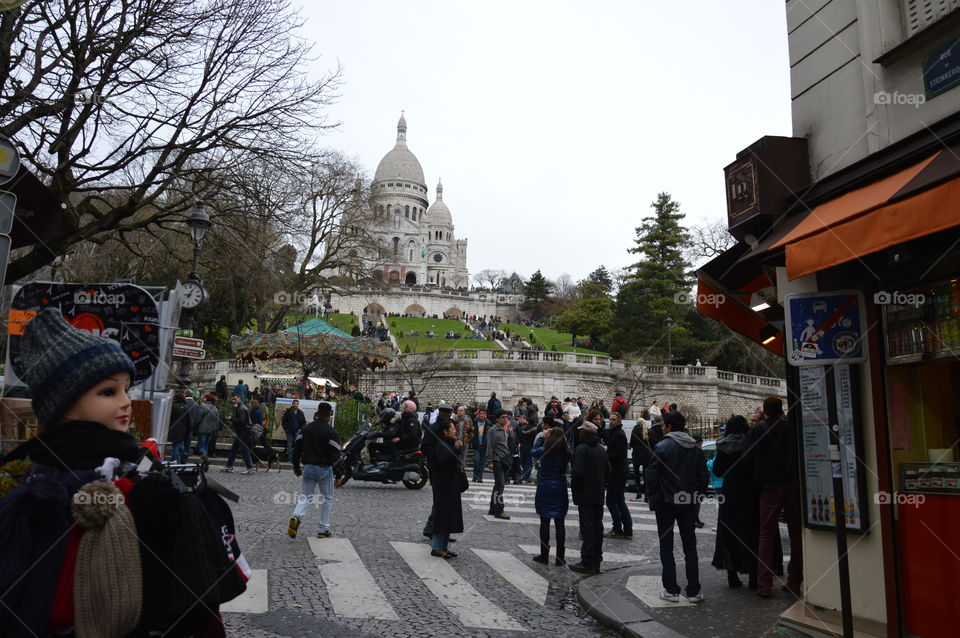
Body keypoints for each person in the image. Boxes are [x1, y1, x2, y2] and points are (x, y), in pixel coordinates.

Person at [0, 308, 247, 637]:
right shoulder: (27, 479)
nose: (125, 402)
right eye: (107, 391)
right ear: (63, 402)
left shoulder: (140, 471)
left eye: (125, 390)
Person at [646, 410, 709, 604]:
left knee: (666, 547)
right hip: (688, 502)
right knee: (690, 547)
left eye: (664, 425)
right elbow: (703, 477)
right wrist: (696, 496)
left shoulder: (662, 446)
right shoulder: (695, 449)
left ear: (669, 427)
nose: (663, 428)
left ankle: (671, 590)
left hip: (666, 502)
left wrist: (655, 494)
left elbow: (652, 474)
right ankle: (693, 591)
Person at [745, 396, 803, 598]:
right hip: (792, 484)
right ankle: (795, 580)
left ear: (765, 412)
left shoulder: (757, 430)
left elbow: (748, 458)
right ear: (780, 411)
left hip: (769, 485)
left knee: (766, 534)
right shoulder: (791, 428)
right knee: (796, 532)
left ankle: (765, 583)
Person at [711, 414, 759, 590]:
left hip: (730, 493)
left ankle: (732, 575)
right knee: (751, 533)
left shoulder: (723, 445)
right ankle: (753, 576)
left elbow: (718, 471)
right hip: (750, 493)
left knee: (729, 533)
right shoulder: (752, 442)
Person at [288, 402, 340, 539]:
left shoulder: (306, 429)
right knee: (327, 498)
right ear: (329, 415)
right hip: (324, 469)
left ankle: (296, 516)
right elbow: (336, 455)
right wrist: (339, 475)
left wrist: (296, 466)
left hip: (308, 467)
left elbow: (297, 448)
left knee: (306, 496)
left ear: (317, 412)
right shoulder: (331, 432)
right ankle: (323, 528)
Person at [569, 419, 609, 574]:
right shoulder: (600, 449)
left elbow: (577, 472)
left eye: (581, 430)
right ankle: (597, 559)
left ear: (585, 433)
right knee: (597, 526)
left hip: (585, 494)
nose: (579, 432)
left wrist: (576, 487)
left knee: (588, 527)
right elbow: (608, 471)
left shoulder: (581, 449)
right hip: (598, 494)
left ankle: (587, 560)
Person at [531, 427, 571, 565]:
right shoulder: (566, 452)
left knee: (545, 521)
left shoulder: (544, 449)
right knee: (560, 523)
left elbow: (533, 451)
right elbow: (571, 453)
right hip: (560, 486)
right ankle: (560, 557)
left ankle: (544, 555)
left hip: (545, 486)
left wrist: (543, 437)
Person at [429, 420, 464, 558]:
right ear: (445, 431)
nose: (455, 431)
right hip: (443, 487)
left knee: (448, 517)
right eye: (452, 428)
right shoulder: (440, 445)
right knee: (442, 516)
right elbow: (444, 462)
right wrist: (455, 449)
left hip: (450, 486)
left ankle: (443, 547)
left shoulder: (448, 443)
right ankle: (437, 547)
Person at [604, 411, 633, 539]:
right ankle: (627, 529)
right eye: (610, 419)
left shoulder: (619, 434)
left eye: (614, 419)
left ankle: (618, 528)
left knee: (611, 501)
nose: (611, 422)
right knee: (619, 500)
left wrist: (606, 451)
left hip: (618, 472)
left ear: (619, 421)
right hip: (618, 471)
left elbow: (619, 455)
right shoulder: (614, 433)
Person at [486, 410, 513, 520]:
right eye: (502, 417)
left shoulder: (505, 430)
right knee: (500, 486)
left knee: (498, 485)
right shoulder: (493, 430)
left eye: (506, 417)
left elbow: (504, 446)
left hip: (504, 461)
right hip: (497, 461)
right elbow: (490, 446)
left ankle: (492, 508)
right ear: (497, 419)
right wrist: (490, 461)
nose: (505, 419)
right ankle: (499, 510)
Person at [222, 394, 255, 474]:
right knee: (234, 449)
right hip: (241, 431)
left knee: (244, 450)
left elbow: (242, 421)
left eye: (235, 399)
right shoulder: (239, 407)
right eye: (232, 399)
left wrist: (231, 419)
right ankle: (229, 466)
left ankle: (250, 467)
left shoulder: (241, 408)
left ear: (239, 398)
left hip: (243, 432)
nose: (233, 401)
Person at [630, 409, 654, 500]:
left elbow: (631, 443)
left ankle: (638, 492)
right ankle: (647, 495)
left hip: (636, 454)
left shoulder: (634, 431)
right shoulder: (648, 431)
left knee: (636, 474)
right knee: (645, 474)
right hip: (646, 455)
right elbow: (651, 443)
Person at [167, 389, 193, 464]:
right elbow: (189, 421)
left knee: (175, 446)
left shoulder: (173, 406)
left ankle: (175, 462)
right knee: (179, 445)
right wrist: (188, 431)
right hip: (183, 429)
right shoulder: (186, 407)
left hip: (174, 428)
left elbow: (169, 418)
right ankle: (183, 457)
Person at [195, 393, 222, 461]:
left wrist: (195, 427)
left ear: (207, 398)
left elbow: (198, 418)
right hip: (211, 430)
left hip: (203, 429)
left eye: (204, 398)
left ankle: (205, 458)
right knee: (206, 445)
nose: (203, 399)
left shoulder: (203, 406)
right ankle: (204, 461)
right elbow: (217, 420)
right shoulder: (215, 407)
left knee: (201, 446)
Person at [472, 408, 491, 482]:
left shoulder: (488, 423)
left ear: (485, 415)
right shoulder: (474, 422)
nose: (482, 415)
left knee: (482, 463)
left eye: (484, 414)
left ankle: (480, 477)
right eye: (481, 413)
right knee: (476, 460)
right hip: (476, 445)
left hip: (485, 446)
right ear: (478, 414)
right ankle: (475, 475)